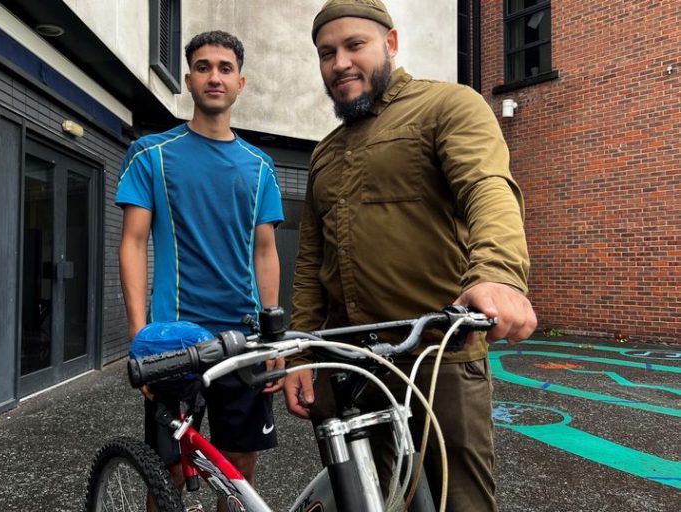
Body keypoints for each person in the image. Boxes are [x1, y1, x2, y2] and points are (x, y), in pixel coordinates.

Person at [282, 1, 537, 510]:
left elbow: (487, 186)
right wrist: (301, 352)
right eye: (327, 53)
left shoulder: (448, 106)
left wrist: (499, 273)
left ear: (391, 44)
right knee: (361, 498)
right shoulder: (324, 153)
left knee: (454, 501)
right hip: (347, 363)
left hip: (435, 358)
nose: (340, 63)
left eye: (355, 45)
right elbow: (311, 263)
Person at [116, 30, 284, 512]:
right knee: (166, 470)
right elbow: (132, 242)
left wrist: (271, 337)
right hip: (174, 341)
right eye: (205, 66)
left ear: (240, 82)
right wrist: (139, 335)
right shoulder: (152, 155)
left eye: (225, 68)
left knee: (238, 471)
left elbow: (266, 253)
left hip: (244, 338)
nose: (215, 76)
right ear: (188, 78)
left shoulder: (260, 166)